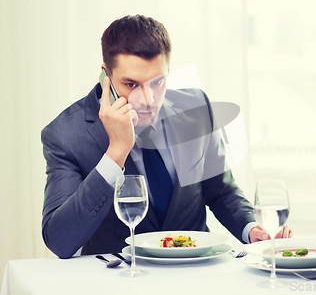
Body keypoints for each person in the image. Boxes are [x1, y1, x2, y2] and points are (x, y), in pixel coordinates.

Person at [41, 14, 291, 259]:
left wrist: (251, 229)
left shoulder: (196, 108)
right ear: (107, 76)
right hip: (120, 282)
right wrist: (115, 153)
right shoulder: (66, 134)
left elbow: (221, 192)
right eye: (131, 84)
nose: (147, 101)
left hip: (195, 273)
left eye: (157, 82)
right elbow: (61, 242)